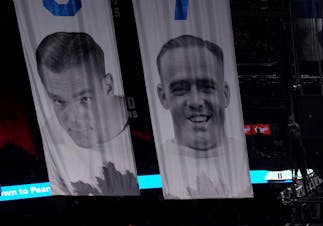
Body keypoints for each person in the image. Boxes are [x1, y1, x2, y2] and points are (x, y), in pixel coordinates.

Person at [32, 31, 137, 195]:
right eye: (59, 101)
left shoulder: (147, 127)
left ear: (108, 86)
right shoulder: (48, 140)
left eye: (85, 99)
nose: (73, 119)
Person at [153, 34, 246, 198]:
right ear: (163, 96)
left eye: (207, 86)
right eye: (180, 89)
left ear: (225, 94)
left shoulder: (246, 158)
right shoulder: (155, 163)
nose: (196, 102)